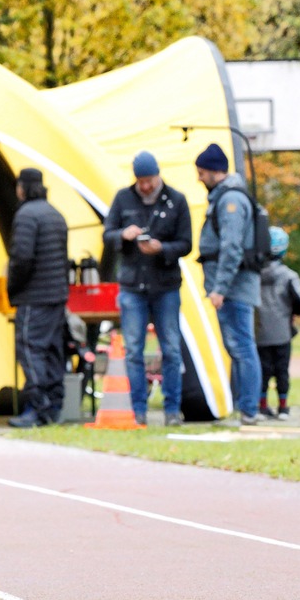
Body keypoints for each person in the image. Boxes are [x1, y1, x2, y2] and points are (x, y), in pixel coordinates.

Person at [102, 151, 193, 427]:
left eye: (149, 180)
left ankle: (172, 410)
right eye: (140, 181)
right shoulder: (122, 198)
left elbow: (186, 243)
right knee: (134, 351)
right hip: (132, 286)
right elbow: (107, 234)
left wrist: (161, 249)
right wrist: (123, 235)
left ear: (158, 175)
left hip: (165, 286)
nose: (145, 186)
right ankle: (138, 410)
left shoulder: (177, 200)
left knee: (171, 349)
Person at [195, 142, 261, 426]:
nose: (199, 178)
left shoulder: (230, 201)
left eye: (201, 172)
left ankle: (249, 409)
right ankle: (244, 407)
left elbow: (232, 246)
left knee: (242, 347)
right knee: (237, 347)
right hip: (232, 287)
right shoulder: (225, 197)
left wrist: (220, 287)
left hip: (234, 289)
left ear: (213, 171)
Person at [6, 167, 69, 428]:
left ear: (23, 188)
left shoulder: (26, 216)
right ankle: (54, 407)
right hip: (57, 295)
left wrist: (13, 289)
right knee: (53, 351)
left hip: (34, 296)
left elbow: (22, 258)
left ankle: (35, 408)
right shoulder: (56, 214)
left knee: (30, 349)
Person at [256, 227, 300, 420]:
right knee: (282, 372)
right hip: (282, 332)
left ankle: (261, 406)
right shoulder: (289, 276)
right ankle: (283, 407)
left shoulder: (254, 275)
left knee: (263, 370)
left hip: (259, 333)